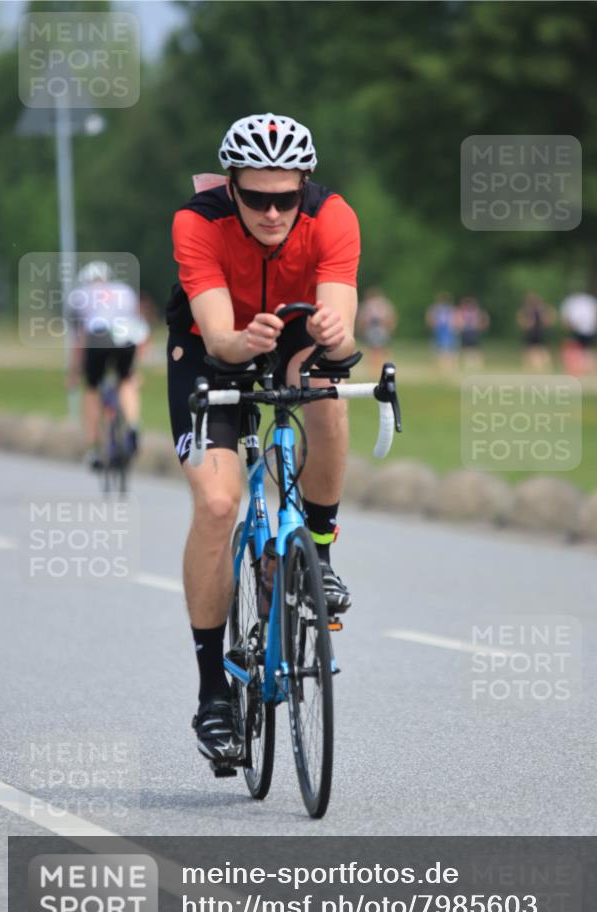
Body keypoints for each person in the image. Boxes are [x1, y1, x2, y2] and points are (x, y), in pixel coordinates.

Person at [165, 113, 360, 768]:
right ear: (231, 186)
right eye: (256, 199)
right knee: (219, 507)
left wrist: (337, 336)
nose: (274, 213)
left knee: (328, 399)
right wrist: (239, 346)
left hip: (295, 338)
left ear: (305, 184)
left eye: (287, 198)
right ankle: (213, 694)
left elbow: (347, 337)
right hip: (209, 350)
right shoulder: (197, 222)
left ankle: (320, 554)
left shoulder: (333, 217)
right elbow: (220, 336)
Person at [66, 261, 148, 469]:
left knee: (92, 389)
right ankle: (132, 424)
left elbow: (80, 339)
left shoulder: (79, 296)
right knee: (126, 380)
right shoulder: (125, 291)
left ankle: (93, 448)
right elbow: (139, 328)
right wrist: (135, 368)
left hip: (98, 337)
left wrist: (74, 373)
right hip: (126, 338)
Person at [356, 287, 397, 377]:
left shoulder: (369, 305)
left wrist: (361, 329)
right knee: (378, 349)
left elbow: (362, 319)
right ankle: (379, 368)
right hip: (379, 328)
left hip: (374, 328)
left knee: (374, 349)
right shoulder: (383, 304)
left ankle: (375, 369)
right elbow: (390, 316)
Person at [559, 291, 597, 374]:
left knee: (584, 349)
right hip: (579, 328)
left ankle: (586, 366)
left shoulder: (590, 300)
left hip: (588, 328)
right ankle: (579, 366)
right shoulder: (588, 300)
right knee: (578, 348)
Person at [516, 291, 556, 371]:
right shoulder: (541, 309)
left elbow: (526, 322)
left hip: (534, 332)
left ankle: (537, 367)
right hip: (538, 332)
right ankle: (543, 366)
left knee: (533, 350)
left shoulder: (531, 310)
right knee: (539, 349)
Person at [425, 292, 458, 372]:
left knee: (445, 348)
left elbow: (429, 318)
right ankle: (445, 365)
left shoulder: (441, 309)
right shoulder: (439, 309)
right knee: (444, 348)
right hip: (442, 330)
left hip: (446, 330)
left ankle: (446, 365)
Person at [455, 296, 489, 369]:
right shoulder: (473, 311)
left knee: (472, 349)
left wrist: (481, 327)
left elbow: (485, 319)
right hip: (469, 331)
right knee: (471, 349)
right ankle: (472, 365)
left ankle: (475, 364)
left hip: (471, 331)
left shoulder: (473, 311)